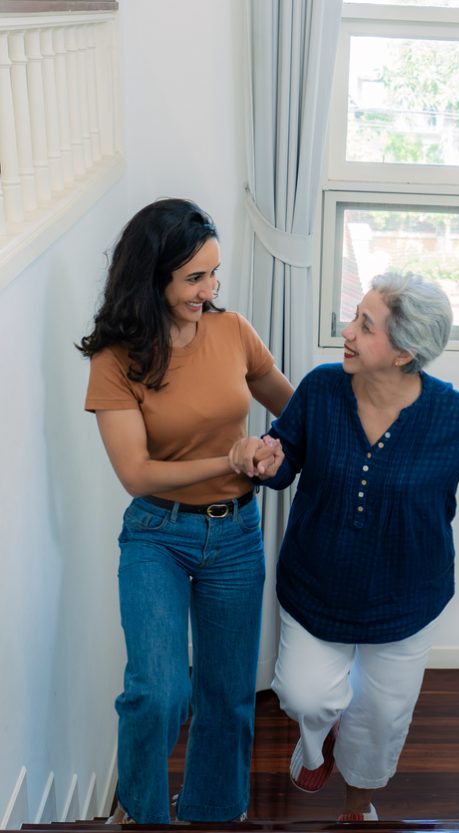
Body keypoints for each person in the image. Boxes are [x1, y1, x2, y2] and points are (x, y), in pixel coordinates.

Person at [249, 272, 459, 822]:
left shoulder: (453, 414)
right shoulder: (321, 389)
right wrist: (269, 461)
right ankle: (319, 741)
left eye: (365, 325)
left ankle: (358, 807)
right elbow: (286, 456)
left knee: (381, 718)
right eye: (355, 317)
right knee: (306, 697)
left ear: (404, 352)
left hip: (407, 597)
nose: (347, 331)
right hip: (315, 586)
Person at [77, 198, 293, 824]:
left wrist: (282, 450)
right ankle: (142, 815)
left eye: (214, 274)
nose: (210, 289)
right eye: (195, 277)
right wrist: (231, 458)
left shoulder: (232, 332)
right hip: (157, 535)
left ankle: (213, 813)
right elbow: (136, 473)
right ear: (154, 276)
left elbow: (292, 405)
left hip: (237, 536)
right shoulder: (116, 358)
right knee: (158, 692)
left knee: (227, 697)